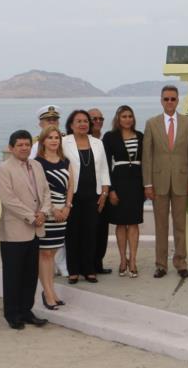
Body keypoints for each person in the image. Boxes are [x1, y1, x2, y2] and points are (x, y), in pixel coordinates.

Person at [143, 85, 188, 279]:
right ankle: (161, 265)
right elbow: (147, 156)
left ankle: (180, 262)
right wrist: (148, 184)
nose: (169, 102)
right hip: (158, 182)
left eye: (173, 99)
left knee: (180, 225)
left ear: (177, 100)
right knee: (161, 225)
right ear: (161, 100)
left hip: (182, 181)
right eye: (166, 99)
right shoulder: (152, 123)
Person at [0, 130, 52, 330]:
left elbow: (46, 192)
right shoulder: (4, 169)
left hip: (36, 229)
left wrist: (44, 213)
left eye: (27, 144)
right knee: (13, 275)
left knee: (30, 274)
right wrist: (31, 217)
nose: (24, 148)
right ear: (11, 148)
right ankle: (12, 314)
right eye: (19, 145)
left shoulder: (36, 165)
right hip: (14, 231)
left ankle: (27, 311)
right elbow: (9, 199)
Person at [62, 109, 112, 284]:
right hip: (72, 196)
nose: (83, 124)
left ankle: (89, 269)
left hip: (94, 195)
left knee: (91, 233)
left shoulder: (97, 143)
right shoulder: (63, 142)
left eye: (85, 121)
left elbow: (105, 169)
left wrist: (104, 193)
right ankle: (73, 270)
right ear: (71, 125)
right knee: (72, 234)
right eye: (79, 121)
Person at [103, 105, 145, 278]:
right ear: (118, 119)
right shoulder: (110, 137)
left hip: (136, 183)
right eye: (124, 116)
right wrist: (111, 189)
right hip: (118, 183)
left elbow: (148, 160)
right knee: (121, 224)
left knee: (134, 223)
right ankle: (122, 260)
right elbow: (105, 164)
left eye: (130, 116)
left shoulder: (141, 136)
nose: (127, 119)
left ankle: (133, 260)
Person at [34, 125, 74, 309]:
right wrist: (52, 210)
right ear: (43, 141)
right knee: (45, 254)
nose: (53, 140)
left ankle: (51, 291)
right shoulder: (37, 163)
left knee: (53, 253)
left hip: (62, 214)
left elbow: (70, 187)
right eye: (49, 137)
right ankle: (47, 293)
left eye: (56, 137)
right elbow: (40, 190)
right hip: (47, 215)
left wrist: (67, 207)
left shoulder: (66, 162)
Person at [88, 107, 112, 276]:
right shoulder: (80, 140)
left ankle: (98, 263)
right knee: (88, 231)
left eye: (100, 119)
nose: (97, 122)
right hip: (87, 192)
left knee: (102, 230)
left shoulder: (107, 140)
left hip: (105, 190)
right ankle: (87, 265)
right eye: (94, 119)